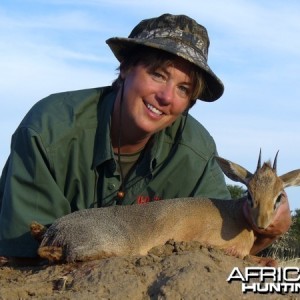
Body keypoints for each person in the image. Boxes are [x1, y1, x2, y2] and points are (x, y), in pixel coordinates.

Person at [0, 13, 291, 260]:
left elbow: (222, 251)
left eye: (184, 89)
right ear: (126, 68)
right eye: (158, 74)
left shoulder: (198, 152)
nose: (166, 97)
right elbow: (23, 252)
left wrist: (265, 233)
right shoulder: (50, 129)